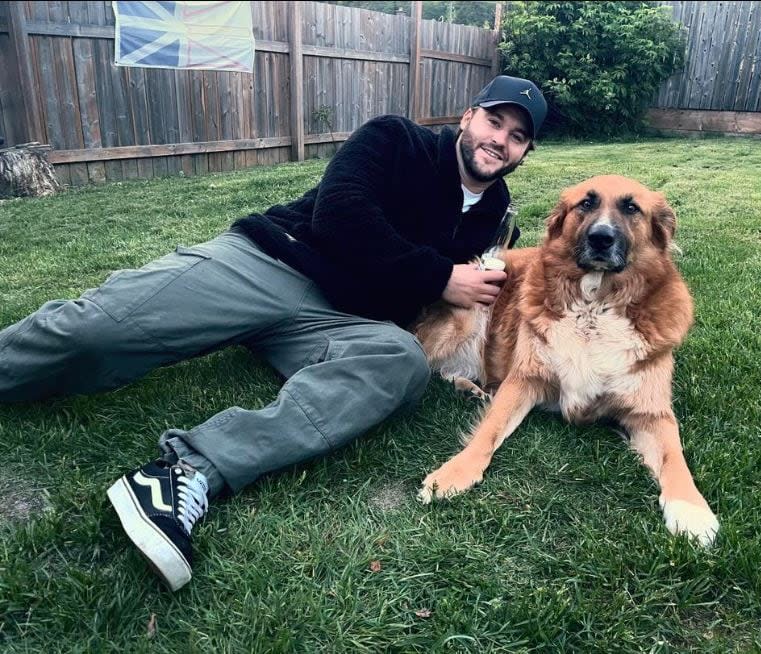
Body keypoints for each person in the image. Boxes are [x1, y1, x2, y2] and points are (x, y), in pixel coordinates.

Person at [0, 75, 547, 591]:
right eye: (494, 122)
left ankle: (183, 475)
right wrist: (440, 276)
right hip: (273, 262)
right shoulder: (395, 139)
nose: (500, 141)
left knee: (401, 362)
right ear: (468, 115)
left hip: (338, 321)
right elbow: (341, 215)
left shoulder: (494, 213)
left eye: (517, 136)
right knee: (97, 331)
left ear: (525, 152)